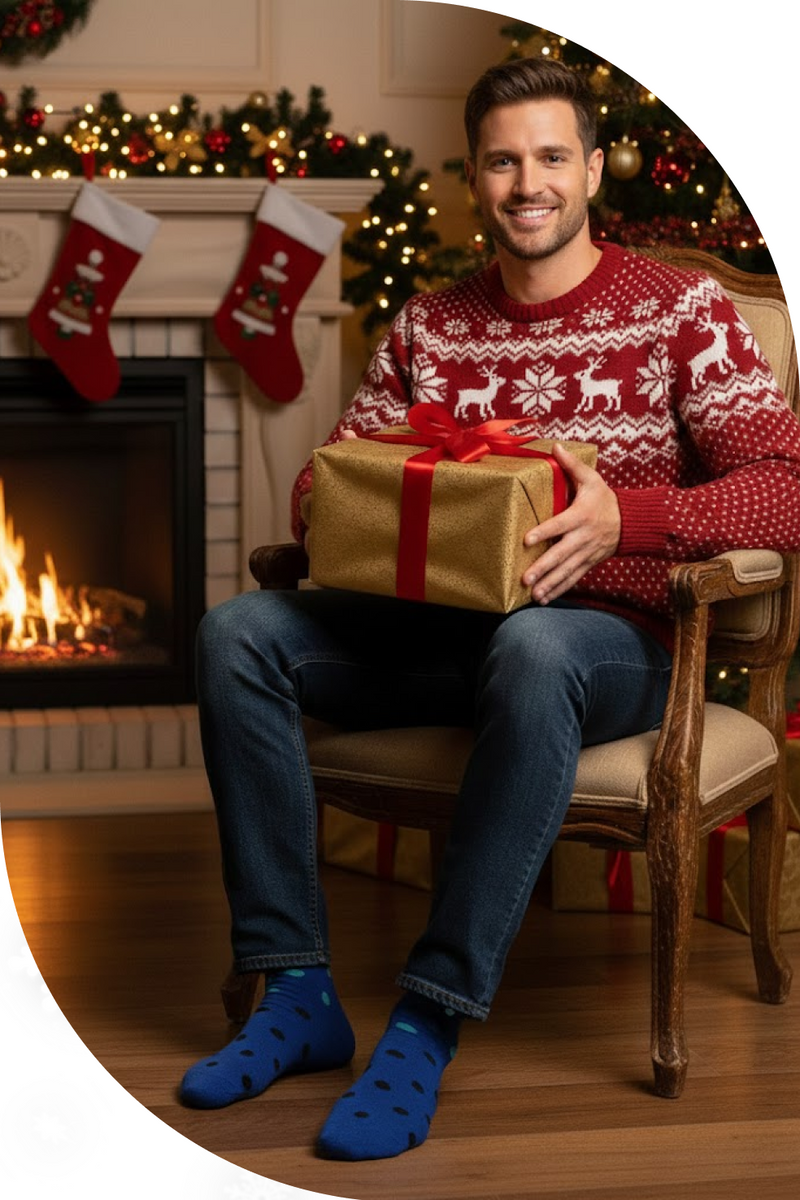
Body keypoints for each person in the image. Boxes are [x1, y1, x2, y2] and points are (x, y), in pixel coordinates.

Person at [179, 58, 800, 1160]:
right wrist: (370, 490)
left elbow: (782, 484)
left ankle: (426, 1017)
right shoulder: (429, 329)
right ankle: (294, 995)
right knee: (238, 635)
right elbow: (325, 485)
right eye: (504, 159)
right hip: (436, 635)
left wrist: (628, 522)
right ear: (474, 176)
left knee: (531, 644)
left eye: (551, 156)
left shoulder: (678, 311)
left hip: (611, 648)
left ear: (592, 169)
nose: (528, 182)